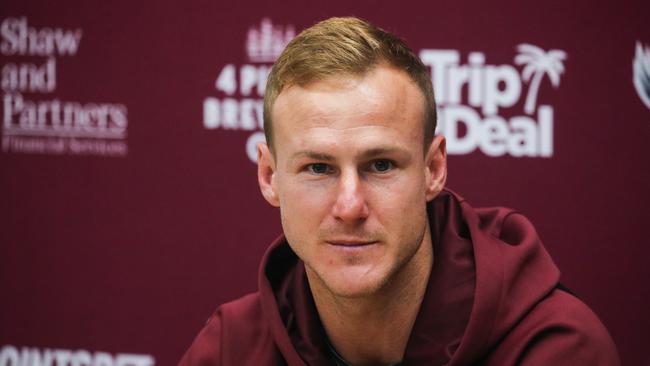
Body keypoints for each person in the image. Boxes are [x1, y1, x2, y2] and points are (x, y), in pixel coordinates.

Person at [179, 17, 620, 365]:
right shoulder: (230, 350)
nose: (349, 206)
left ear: (434, 169)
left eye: (381, 165)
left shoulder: (554, 350)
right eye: (318, 168)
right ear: (269, 176)